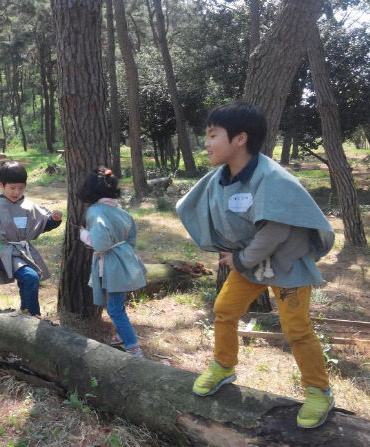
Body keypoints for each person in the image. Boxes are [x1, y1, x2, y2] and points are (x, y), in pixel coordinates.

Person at [175, 101, 336, 429]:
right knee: (224, 308)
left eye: (212, 135)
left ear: (239, 139)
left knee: (297, 328)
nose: (206, 143)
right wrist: (236, 253)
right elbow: (203, 207)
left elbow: (277, 229)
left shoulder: (270, 177)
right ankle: (223, 366)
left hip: (287, 263)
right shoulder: (222, 177)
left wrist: (240, 259)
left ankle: (320, 391)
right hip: (252, 261)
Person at [0, 161, 62, 316]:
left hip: (24, 250)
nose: (17, 192)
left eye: (21, 188)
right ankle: (34, 314)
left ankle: (25, 310)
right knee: (31, 277)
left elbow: (42, 225)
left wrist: (54, 221)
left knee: (26, 281)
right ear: (1, 185)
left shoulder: (28, 205)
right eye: (12, 188)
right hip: (2, 250)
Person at [78, 167, 147, 357]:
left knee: (115, 309)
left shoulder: (95, 211)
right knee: (114, 305)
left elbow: (100, 243)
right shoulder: (121, 211)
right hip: (124, 262)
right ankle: (122, 335)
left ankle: (133, 346)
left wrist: (83, 235)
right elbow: (131, 238)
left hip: (111, 266)